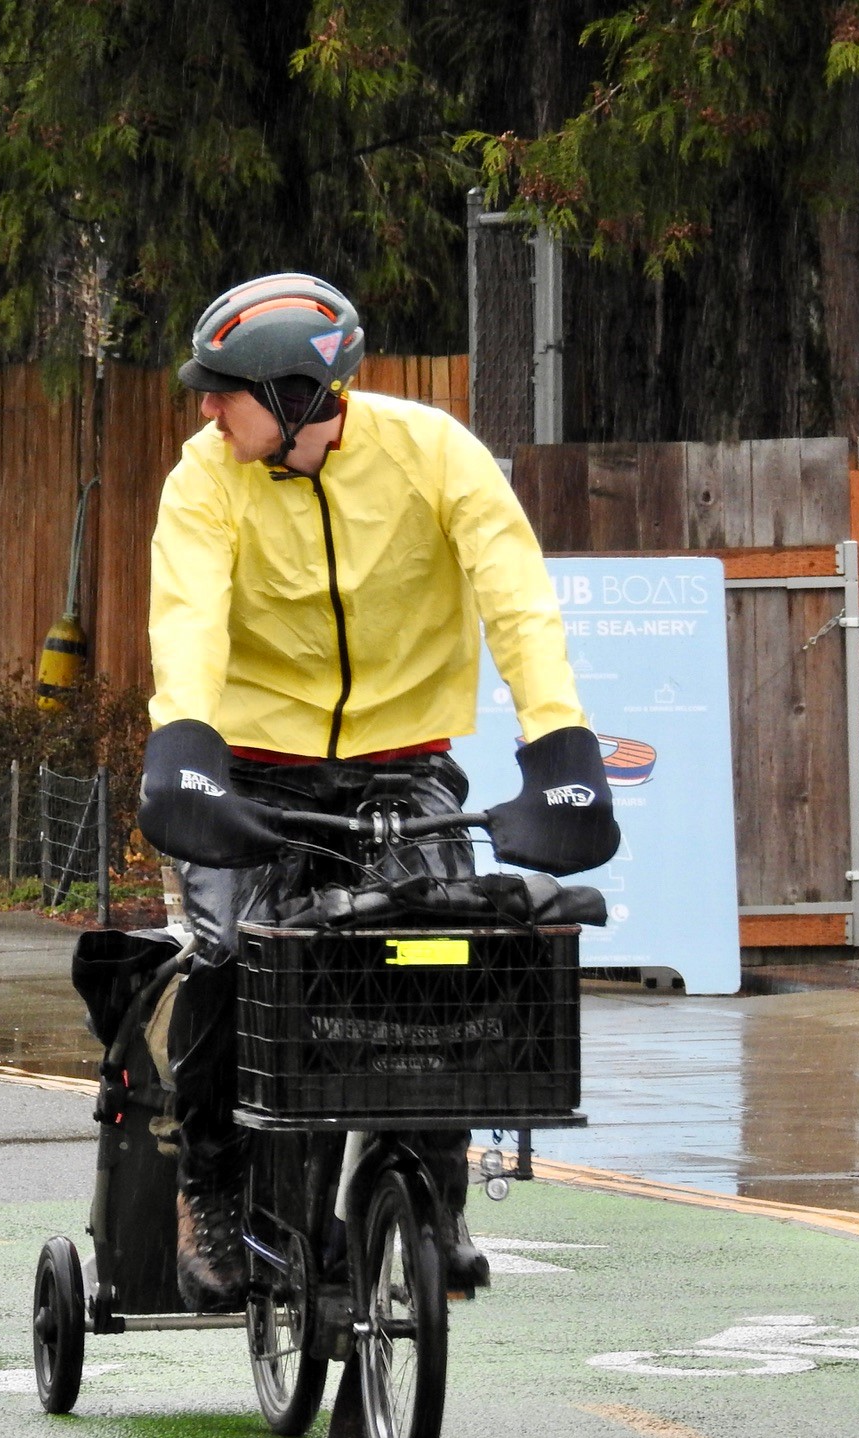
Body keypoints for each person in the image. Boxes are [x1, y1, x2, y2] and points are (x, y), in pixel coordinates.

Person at [136, 272, 620, 1306]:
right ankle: (212, 1180)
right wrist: (183, 743)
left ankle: (432, 1198)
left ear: (300, 393)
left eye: (226, 390)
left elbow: (516, 597)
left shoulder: (433, 452)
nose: (207, 409)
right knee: (227, 953)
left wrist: (561, 741)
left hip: (403, 767)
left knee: (441, 952)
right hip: (252, 772)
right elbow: (187, 617)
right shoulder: (203, 477)